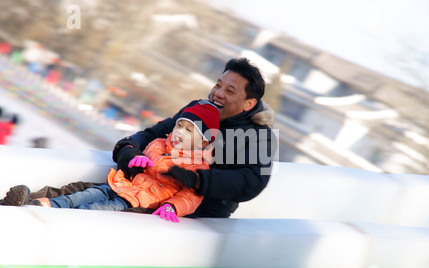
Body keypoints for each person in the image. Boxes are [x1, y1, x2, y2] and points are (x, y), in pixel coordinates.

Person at [3, 101, 220, 223]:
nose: (180, 132)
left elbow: (191, 195)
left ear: (203, 141)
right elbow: (138, 151)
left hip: (135, 201)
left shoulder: (197, 164)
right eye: (180, 126)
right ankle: (33, 206)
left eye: (189, 130)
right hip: (119, 184)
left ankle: (44, 217)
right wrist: (136, 158)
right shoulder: (159, 144)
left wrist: (173, 206)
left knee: (94, 209)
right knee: (78, 196)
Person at [113, 57, 276, 218]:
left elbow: (252, 182)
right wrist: (128, 148)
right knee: (93, 193)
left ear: (249, 104)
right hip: (149, 191)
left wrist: (197, 179)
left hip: (197, 215)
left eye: (229, 91)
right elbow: (156, 133)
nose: (218, 93)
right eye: (218, 85)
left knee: (114, 214)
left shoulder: (261, 135)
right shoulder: (199, 110)